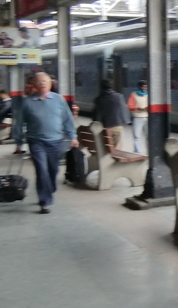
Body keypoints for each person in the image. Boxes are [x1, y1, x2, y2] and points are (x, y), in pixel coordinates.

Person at [13, 73, 78, 213]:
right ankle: (45, 201)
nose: (42, 83)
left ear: (50, 84)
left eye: (45, 81)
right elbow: (18, 123)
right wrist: (18, 141)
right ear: (34, 85)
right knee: (42, 170)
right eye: (39, 82)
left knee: (53, 170)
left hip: (56, 141)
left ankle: (49, 188)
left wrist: (73, 136)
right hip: (36, 142)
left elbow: (67, 119)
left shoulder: (58, 100)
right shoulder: (27, 102)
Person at [93, 79, 131, 149]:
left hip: (104, 128)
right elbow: (124, 110)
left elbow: (96, 116)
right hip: (117, 126)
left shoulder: (98, 99)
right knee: (118, 148)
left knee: (106, 147)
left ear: (101, 87)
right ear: (112, 87)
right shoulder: (119, 97)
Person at [128, 80, 149, 154]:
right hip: (137, 117)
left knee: (148, 136)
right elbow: (130, 106)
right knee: (137, 136)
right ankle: (137, 152)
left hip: (147, 117)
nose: (145, 88)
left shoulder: (148, 95)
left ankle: (149, 152)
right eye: (143, 86)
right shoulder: (133, 95)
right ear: (139, 87)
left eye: (146, 86)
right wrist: (139, 108)